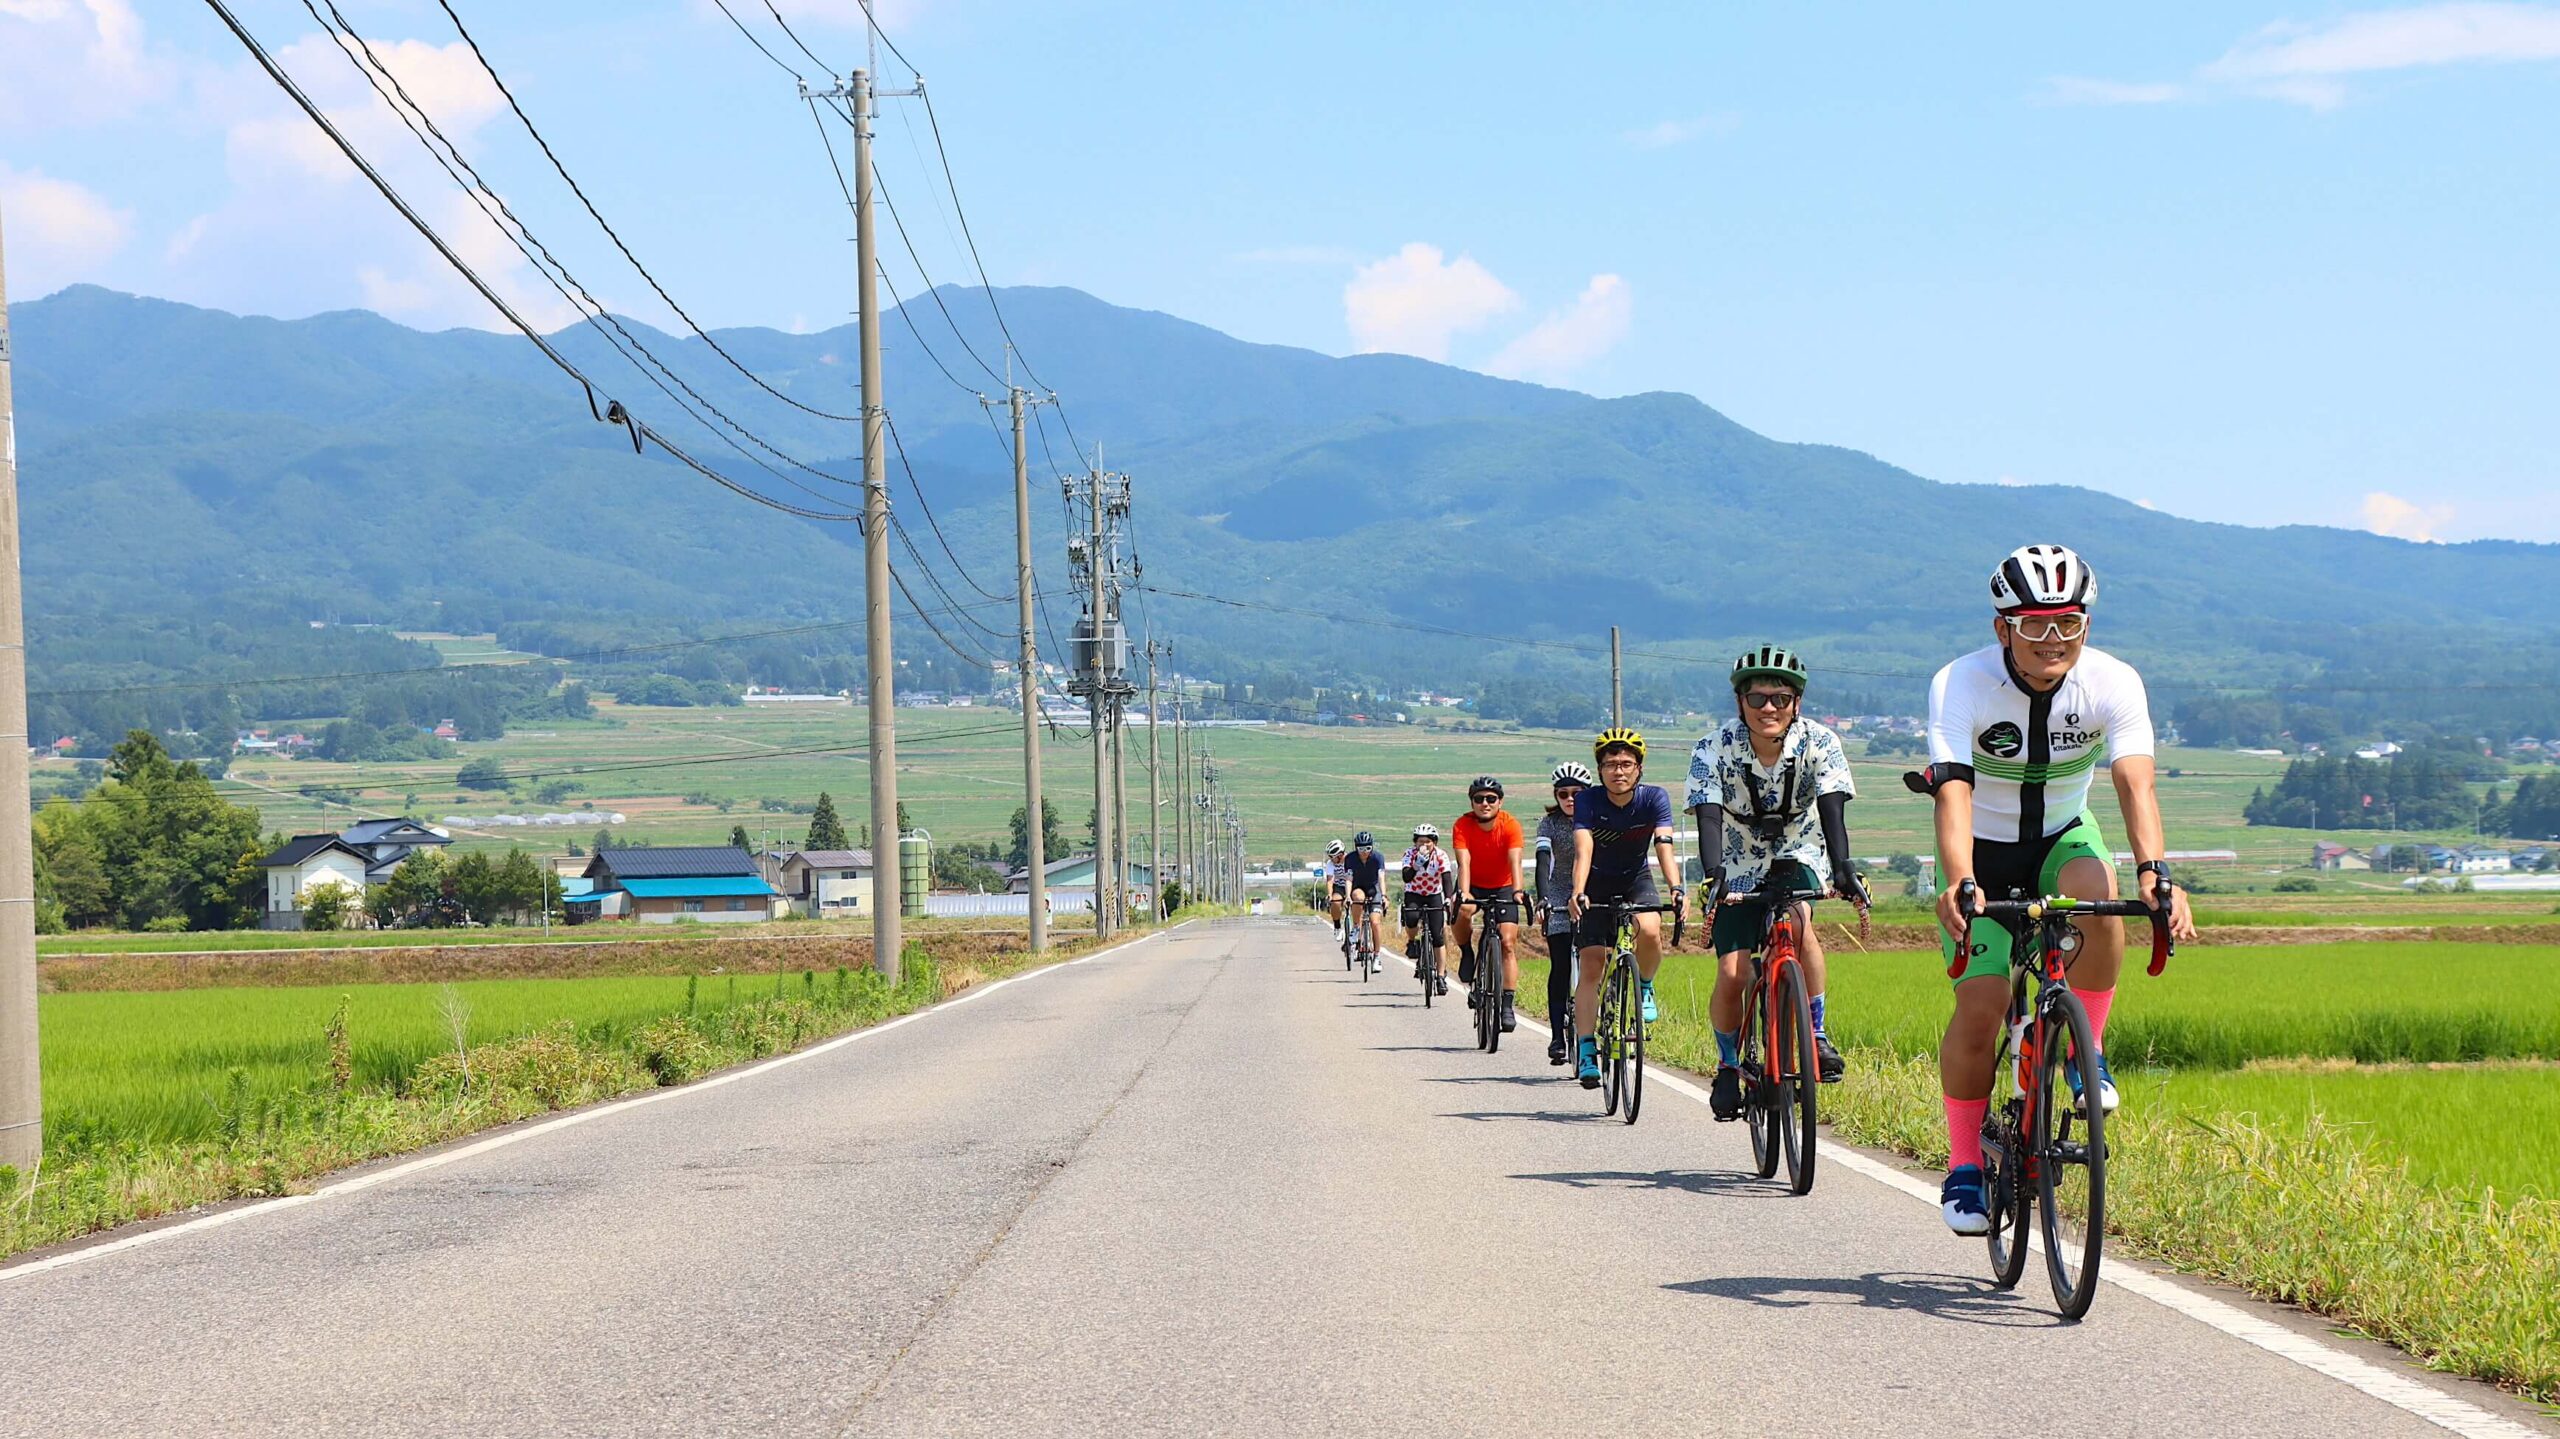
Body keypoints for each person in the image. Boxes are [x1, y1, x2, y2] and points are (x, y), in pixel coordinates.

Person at [1921, 544, 2198, 1236]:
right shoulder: (1960, 683)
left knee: (2101, 899)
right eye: (2036, 624)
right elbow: (1952, 793)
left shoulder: (2112, 682)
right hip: (1981, 852)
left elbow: (2135, 781)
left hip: (2061, 839)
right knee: (1981, 1006)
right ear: (2002, 629)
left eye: (2068, 623)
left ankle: (2084, 1051)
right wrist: (1960, 881)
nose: (2054, 640)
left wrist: (2156, 874)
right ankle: (1962, 1164)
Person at [1686, 646, 1864, 1120]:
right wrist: (1713, 875)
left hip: (1798, 847)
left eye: (1781, 699)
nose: (1770, 708)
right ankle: (1727, 1063)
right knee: (1733, 973)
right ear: (1740, 702)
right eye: (1758, 698)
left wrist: (1843, 866)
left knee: (1801, 924)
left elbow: (1831, 806)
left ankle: (1817, 1035)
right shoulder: (1712, 747)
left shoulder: (1820, 742)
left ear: (1797, 704)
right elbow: (1707, 816)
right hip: (1734, 854)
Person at [1567, 729, 1684, 1087]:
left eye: (1626, 764)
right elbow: (1584, 848)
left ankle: (1644, 985)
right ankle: (1587, 1048)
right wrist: (1578, 891)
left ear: (1639, 768)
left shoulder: (1654, 799)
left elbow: (1663, 844)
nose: (1619, 771)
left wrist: (1677, 887)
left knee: (1649, 930)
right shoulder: (1588, 800)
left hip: (1636, 877)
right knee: (1591, 965)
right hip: (1596, 881)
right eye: (1610, 764)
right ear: (1600, 770)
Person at [1449, 775, 1527, 1033]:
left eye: (1491, 799)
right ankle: (1467, 952)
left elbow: (1515, 859)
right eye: (1478, 799)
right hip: (1474, 883)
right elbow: (1464, 862)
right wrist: (1464, 894)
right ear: (1471, 802)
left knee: (1507, 942)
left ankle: (1506, 1004)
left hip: (1504, 884)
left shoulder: (1510, 824)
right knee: (1465, 909)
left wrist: (1517, 891)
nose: (1485, 803)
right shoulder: (1462, 824)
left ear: (1500, 802)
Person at [1532, 762, 1596, 1065]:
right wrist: (1543, 898)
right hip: (1559, 892)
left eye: (1577, 793)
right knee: (1559, 965)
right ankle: (1557, 1035)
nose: (1570, 799)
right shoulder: (1549, 824)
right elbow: (1543, 860)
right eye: (1563, 794)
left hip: (1593, 891)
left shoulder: (1598, 817)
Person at [1400, 823, 1453, 994]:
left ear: (1434, 843)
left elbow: (1446, 879)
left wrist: (1448, 899)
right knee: (1412, 918)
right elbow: (1406, 877)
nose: (1424, 845)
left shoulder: (1441, 856)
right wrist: (1416, 865)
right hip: (1414, 893)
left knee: (1438, 937)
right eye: (1420, 841)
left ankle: (1440, 975)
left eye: (1428, 842)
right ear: (1415, 843)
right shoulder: (1409, 854)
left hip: (1433, 894)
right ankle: (1411, 941)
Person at [1344, 831, 1389, 961]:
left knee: (1375, 922)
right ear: (1356, 848)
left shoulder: (1378, 858)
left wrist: (1384, 896)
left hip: (1373, 888)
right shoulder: (1350, 858)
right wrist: (1348, 896)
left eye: (1368, 848)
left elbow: (1381, 878)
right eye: (1361, 849)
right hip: (1358, 887)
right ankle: (1357, 927)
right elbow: (1349, 879)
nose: (1364, 852)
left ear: (1372, 847)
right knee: (1357, 897)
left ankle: (1377, 956)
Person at [1321, 839, 1349, 929]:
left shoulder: (1351, 860)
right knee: (1336, 901)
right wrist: (1329, 894)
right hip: (1339, 886)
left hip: (1353, 884)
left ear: (1340, 855)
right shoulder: (1330, 864)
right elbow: (1330, 880)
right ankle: (1337, 925)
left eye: (1332, 857)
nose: (1330, 859)